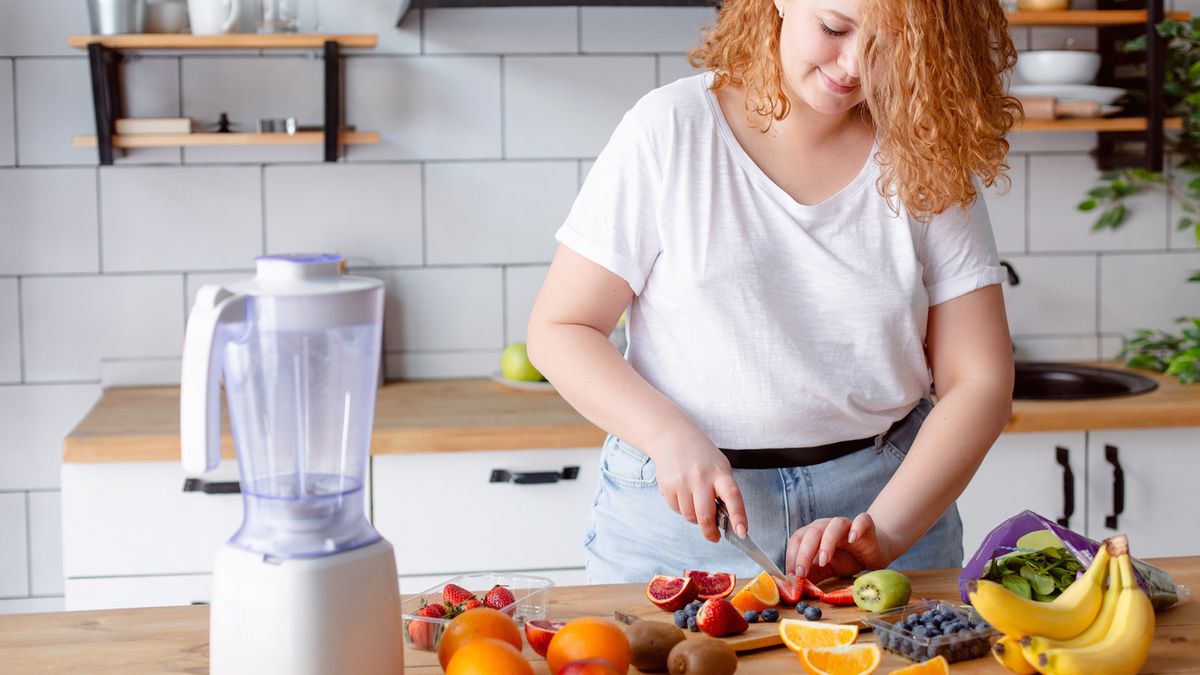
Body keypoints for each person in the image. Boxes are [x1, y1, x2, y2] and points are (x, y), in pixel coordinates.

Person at [526, 0, 1019, 584]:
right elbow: (561, 329)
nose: (855, 64)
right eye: (835, 28)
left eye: (895, 44)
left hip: (886, 501)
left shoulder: (926, 151)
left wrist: (882, 531)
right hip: (683, 513)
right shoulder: (669, 128)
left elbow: (981, 380)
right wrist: (667, 433)